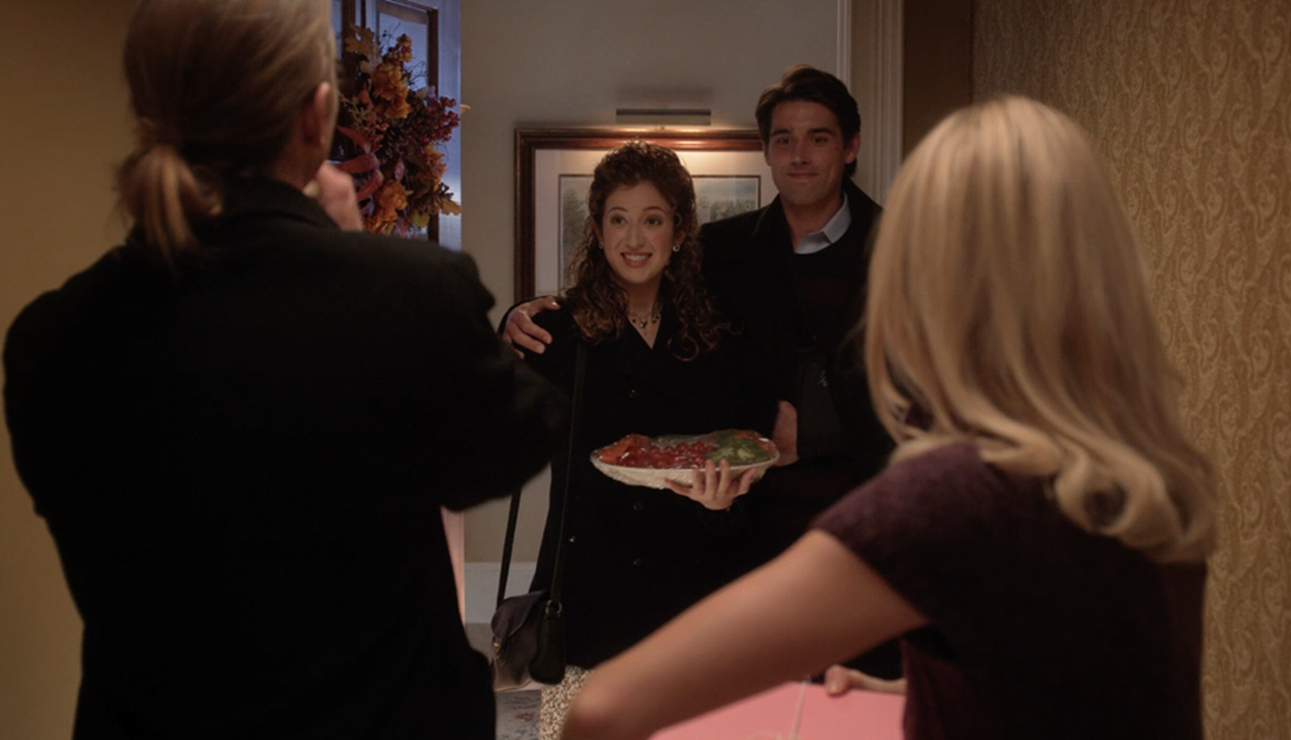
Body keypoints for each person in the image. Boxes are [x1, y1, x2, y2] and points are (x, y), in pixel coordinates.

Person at [558, 96, 1217, 740]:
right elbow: (1058, 683)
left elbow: (605, 709)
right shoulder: (1156, 472)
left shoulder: (958, 495)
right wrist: (925, 692)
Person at [2, 1, 560, 738]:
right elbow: (515, 441)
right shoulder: (404, 299)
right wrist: (354, 251)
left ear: (147, 114)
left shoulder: (50, 338)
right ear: (315, 115)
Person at [505, 65, 901, 679]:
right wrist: (514, 320)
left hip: (846, 530)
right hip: (633, 582)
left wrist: (801, 442)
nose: (799, 155)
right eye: (784, 139)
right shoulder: (728, 251)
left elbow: (929, 388)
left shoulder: (903, 247)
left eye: (819, 138)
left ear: (850, 147)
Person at [517, 141, 776, 740]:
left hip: (689, 598)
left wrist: (722, 504)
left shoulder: (717, 335)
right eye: (619, 219)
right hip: (587, 598)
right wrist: (507, 323)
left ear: (679, 232)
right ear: (598, 232)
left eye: (653, 220)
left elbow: (731, 457)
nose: (635, 239)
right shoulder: (554, 331)